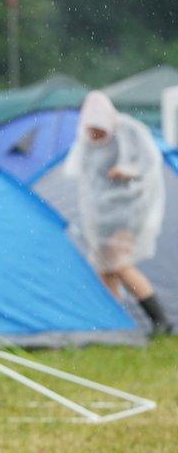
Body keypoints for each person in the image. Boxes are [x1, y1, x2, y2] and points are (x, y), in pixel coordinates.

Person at [65, 91, 171, 335]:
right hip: (100, 217)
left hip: (126, 213)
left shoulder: (128, 131)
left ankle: (160, 319)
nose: (96, 135)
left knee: (120, 264)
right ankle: (117, 324)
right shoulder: (86, 141)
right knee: (104, 269)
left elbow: (149, 163)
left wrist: (127, 170)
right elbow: (79, 172)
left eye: (98, 130)